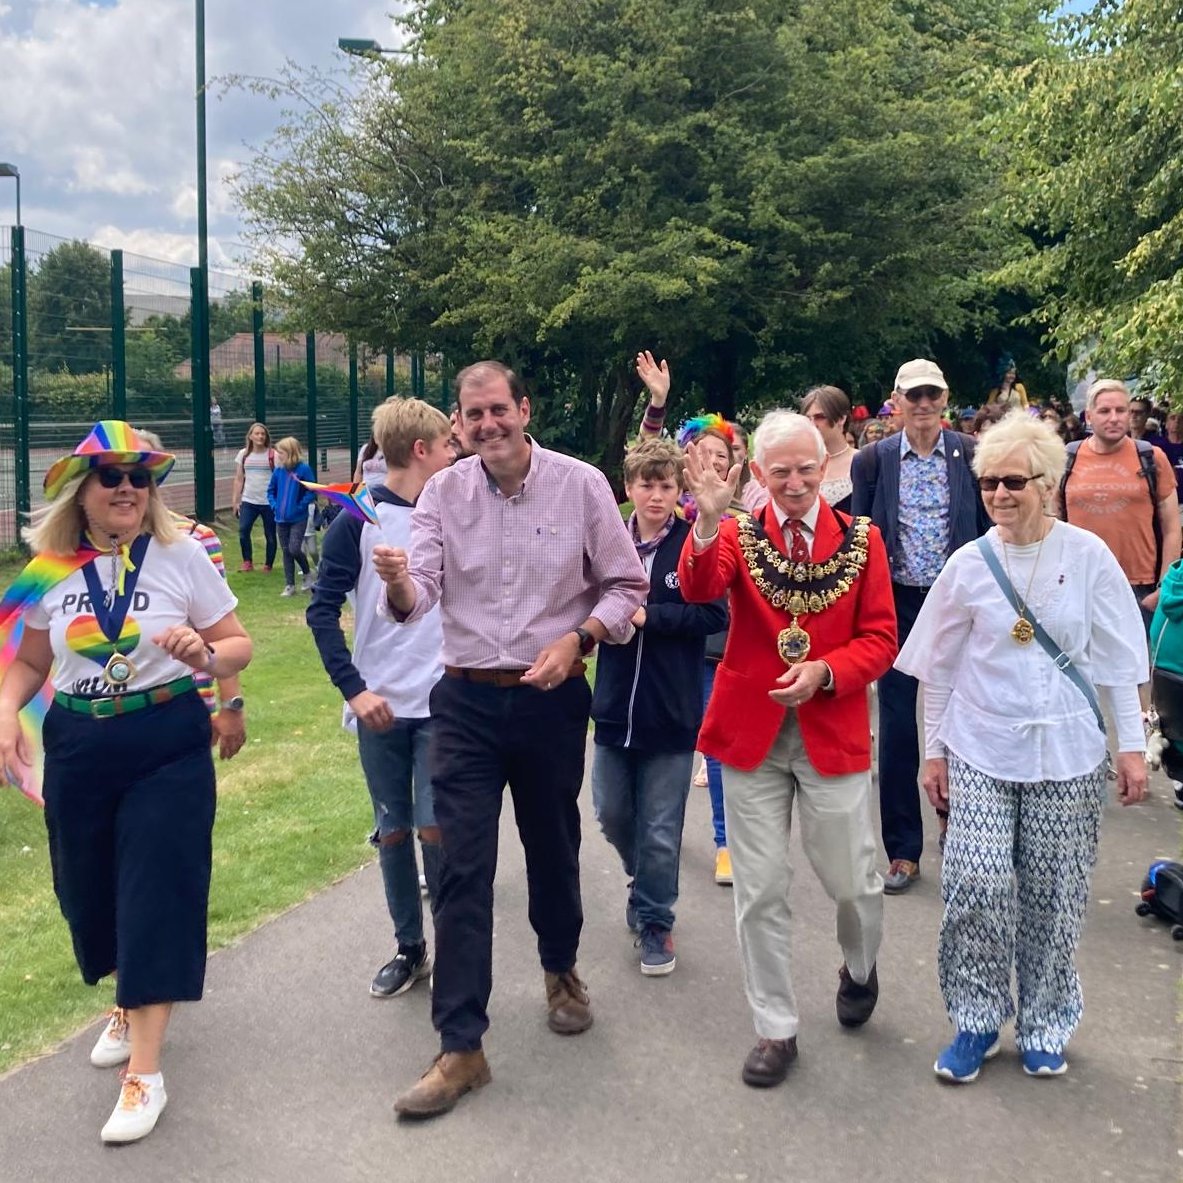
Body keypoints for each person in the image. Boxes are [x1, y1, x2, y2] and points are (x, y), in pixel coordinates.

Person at [373, 361, 648, 1120]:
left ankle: (560, 969)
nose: (487, 424)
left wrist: (580, 637)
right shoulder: (442, 493)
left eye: (498, 409)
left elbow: (626, 587)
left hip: (550, 696)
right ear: (456, 425)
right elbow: (418, 595)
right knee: (460, 866)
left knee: (552, 846)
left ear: (523, 409)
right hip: (462, 698)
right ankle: (460, 1045)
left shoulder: (582, 484)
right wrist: (397, 581)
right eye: (472, 415)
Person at [0, 421, 252, 1143]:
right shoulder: (51, 570)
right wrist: (7, 709)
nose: (127, 489)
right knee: (88, 890)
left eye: (140, 477)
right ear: (81, 490)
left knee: (157, 887)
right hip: (79, 741)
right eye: (111, 476)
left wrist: (206, 655)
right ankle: (128, 994)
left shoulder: (180, 556)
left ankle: (144, 1073)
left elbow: (239, 642)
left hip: (165, 737)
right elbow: (29, 662)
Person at [894, 411, 1147, 1083]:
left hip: (1066, 751)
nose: (999, 494)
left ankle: (1043, 1020)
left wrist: (1130, 749)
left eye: (1013, 481)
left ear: (1048, 480)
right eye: (987, 484)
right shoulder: (967, 564)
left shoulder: (1087, 557)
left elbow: (1118, 659)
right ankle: (975, 1018)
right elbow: (938, 665)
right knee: (975, 884)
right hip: (979, 744)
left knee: (1052, 893)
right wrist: (932, 751)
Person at [678, 410, 896, 1088]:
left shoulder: (861, 538)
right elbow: (697, 588)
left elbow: (881, 637)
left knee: (855, 882)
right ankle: (775, 1027)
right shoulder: (739, 535)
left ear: (823, 467)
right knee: (760, 887)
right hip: (751, 736)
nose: (796, 481)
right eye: (781, 471)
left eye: (806, 468)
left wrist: (826, 671)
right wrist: (708, 519)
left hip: (830, 730)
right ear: (761, 476)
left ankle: (859, 966)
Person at [308, 399, 455, 997]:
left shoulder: (453, 514)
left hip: (443, 703)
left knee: (434, 826)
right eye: (447, 444)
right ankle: (409, 948)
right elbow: (321, 611)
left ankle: (455, 947)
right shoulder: (357, 520)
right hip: (380, 708)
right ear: (420, 450)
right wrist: (354, 689)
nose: (456, 453)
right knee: (393, 830)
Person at [851, 359, 991, 893]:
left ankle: (959, 826)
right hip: (898, 605)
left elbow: (985, 528)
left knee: (962, 717)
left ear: (945, 397)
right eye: (914, 396)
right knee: (898, 726)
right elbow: (861, 541)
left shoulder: (972, 455)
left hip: (959, 604)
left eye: (932, 394)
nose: (924, 404)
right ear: (897, 400)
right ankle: (903, 849)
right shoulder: (874, 460)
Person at [590, 438, 728, 975]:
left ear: (679, 491)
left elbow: (714, 616)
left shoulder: (692, 544)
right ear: (628, 488)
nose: (655, 494)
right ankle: (645, 877)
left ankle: (655, 923)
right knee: (612, 813)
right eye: (645, 484)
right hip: (613, 708)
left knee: (661, 827)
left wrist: (652, 617)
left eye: (666, 485)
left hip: (671, 708)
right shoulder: (608, 544)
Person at [1059, 379, 1180, 632]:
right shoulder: (1067, 459)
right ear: (1089, 416)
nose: (1114, 418)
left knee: (1137, 670)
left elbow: (1172, 527)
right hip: (1078, 584)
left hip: (1139, 588)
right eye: (1104, 411)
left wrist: (1164, 587)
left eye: (1120, 410)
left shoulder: (1151, 457)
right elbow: (1052, 521)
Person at [676, 413, 739, 884]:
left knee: (715, 747)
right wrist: (657, 403)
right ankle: (658, 831)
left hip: (715, 651)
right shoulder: (668, 509)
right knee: (671, 746)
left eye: (723, 456)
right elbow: (644, 452)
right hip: (665, 646)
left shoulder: (741, 521)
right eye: (704, 453)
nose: (713, 462)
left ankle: (724, 844)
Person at [267, 437, 317, 596]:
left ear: (289, 453)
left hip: (298, 518)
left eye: (280, 452)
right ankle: (290, 585)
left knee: (295, 548)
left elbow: (312, 490)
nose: (277, 455)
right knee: (286, 550)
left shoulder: (303, 469)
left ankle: (307, 573)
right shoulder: (278, 471)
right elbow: (271, 490)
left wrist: (300, 506)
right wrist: (274, 506)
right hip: (280, 518)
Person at [800, 385, 855, 514]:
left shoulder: (864, 461)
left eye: (820, 417)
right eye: (808, 419)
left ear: (841, 418)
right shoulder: (799, 464)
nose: (813, 424)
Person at [231, 422, 277, 573]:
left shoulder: (273, 455)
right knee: (243, 530)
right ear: (250, 436)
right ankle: (247, 562)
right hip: (249, 499)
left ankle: (268, 564)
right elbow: (239, 478)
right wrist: (236, 500)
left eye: (263, 434)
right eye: (257, 433)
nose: (260, 436)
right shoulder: (243, 455)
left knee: (270, 534)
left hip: (268, 501)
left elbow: (279, 478)